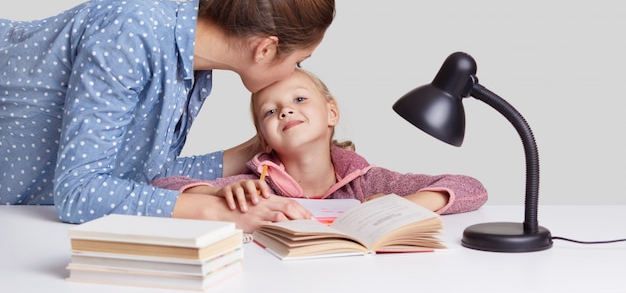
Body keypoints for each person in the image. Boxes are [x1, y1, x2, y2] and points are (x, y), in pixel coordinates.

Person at [0, 0, 335, 231]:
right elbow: (79, 193)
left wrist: (252, 153)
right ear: (264, 49)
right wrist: (217, 213)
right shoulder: (131, 30)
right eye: (299, 60)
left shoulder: (192, 72)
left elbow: (139, 176)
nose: (294, 72)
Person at [152, 68, 488, 230]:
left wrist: (406, 205)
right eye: (270, 111)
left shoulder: (368, 182)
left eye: (299, 99)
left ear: (331, 113)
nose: (285, 110)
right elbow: (159, 186)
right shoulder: (256, 188)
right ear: (264, 139)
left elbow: (472, 189)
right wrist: (218, 194)